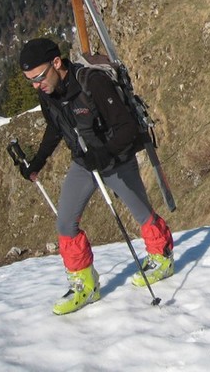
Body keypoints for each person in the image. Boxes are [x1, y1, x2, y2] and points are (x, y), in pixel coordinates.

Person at [17, 37, 174, 315]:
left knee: (141, 212)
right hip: (84, 163)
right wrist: (37, 162)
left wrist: (105, 155)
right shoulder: (47, 93)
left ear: (56, 63)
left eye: (38, 77)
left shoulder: (93, 83)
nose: (35, 85)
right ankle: (85, 284)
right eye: (29, 80)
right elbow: (55, 128)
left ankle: (162, 257)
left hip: (115, 159)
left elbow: (125, 127)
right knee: (65, 223)